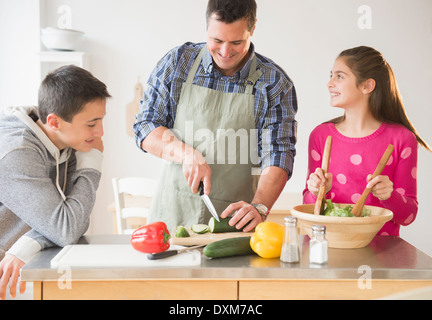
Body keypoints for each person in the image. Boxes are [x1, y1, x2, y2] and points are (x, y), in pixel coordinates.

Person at [133, 0, 297, 232]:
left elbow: (279, 154)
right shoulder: (178, 62)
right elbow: (145, 127)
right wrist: (186, 154)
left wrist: (260, 206)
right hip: (171, 219)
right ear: (207, 26)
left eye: (236, 42)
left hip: (233, 223)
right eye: (217, 40)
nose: (225, 51)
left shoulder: (273, 83)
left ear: (253, 28)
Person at [0, 65, 110, 299]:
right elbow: (66, 228)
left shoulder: (64, 144)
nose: (100, 132)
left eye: (100, 121)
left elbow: (73, 219)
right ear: (55, 122)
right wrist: (92, 164)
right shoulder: (17, 152)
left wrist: (29, 242)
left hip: (15, 265)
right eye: (91, 124)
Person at [303, 46, 431, 236]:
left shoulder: (402, 139)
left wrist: (390, 196)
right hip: (331, 247)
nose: (329, 83)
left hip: (382, 256)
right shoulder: (321, 136)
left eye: (339, 76)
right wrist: (317, 192)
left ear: (367, 86)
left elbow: (408, 216)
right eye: (331, 75)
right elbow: (309, 205)